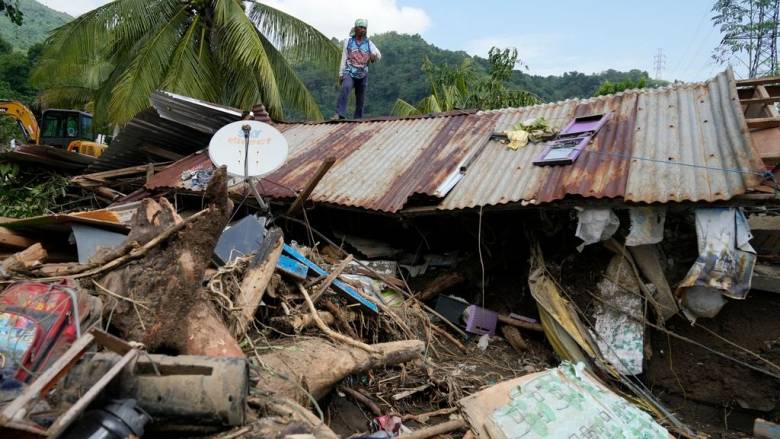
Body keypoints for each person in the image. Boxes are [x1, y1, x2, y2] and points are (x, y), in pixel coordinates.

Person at [335, 18, 381, 119]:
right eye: (361, 27)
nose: (363, 30)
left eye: (365, 28)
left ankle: (358, 118)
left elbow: (378, 55)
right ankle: (340, 114)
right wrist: (341, 74)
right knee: (346, 87)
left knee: (361, 98)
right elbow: (344, 57)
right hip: (349, 71)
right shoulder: (348, 42)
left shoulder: (369, 43)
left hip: (363, 73)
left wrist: (373, 56)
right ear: (355, 29)